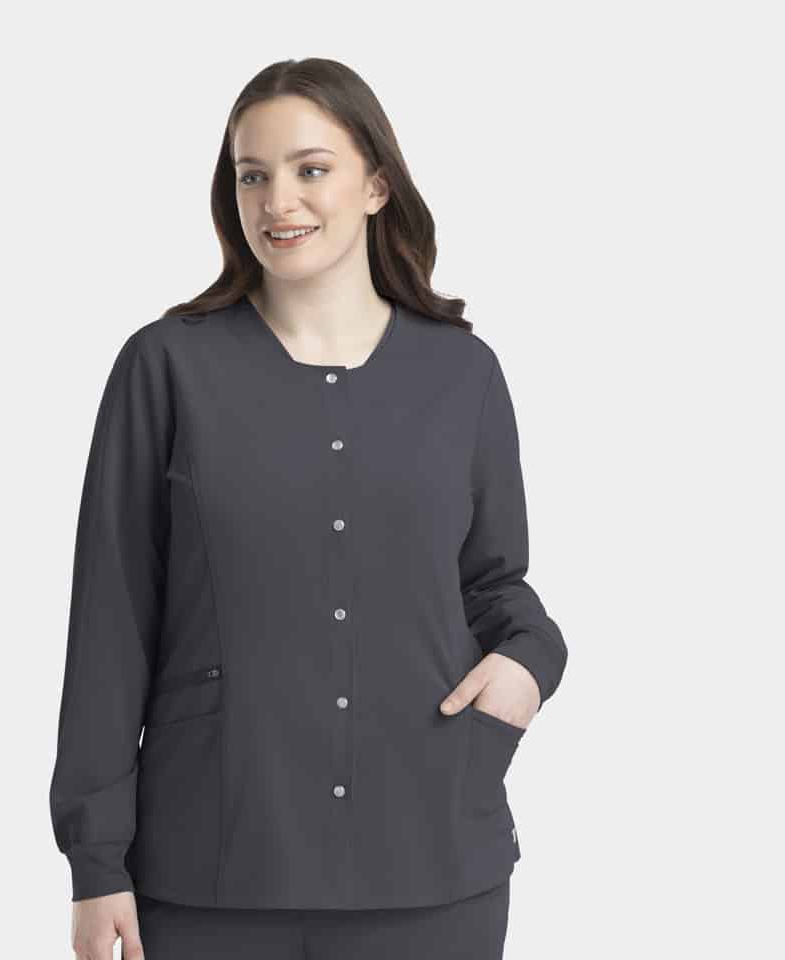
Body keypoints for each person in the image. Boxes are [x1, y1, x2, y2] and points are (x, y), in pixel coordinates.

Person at [49, 57, 567, 960]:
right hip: (210, 875)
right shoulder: (166, 368)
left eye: (310, 169)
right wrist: (96, 865)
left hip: (433, 866)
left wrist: (530, 662)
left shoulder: (462, 373)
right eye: (252, 175)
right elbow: (111, 622)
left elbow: (496, 586)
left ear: (376, 186)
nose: (277, 201)